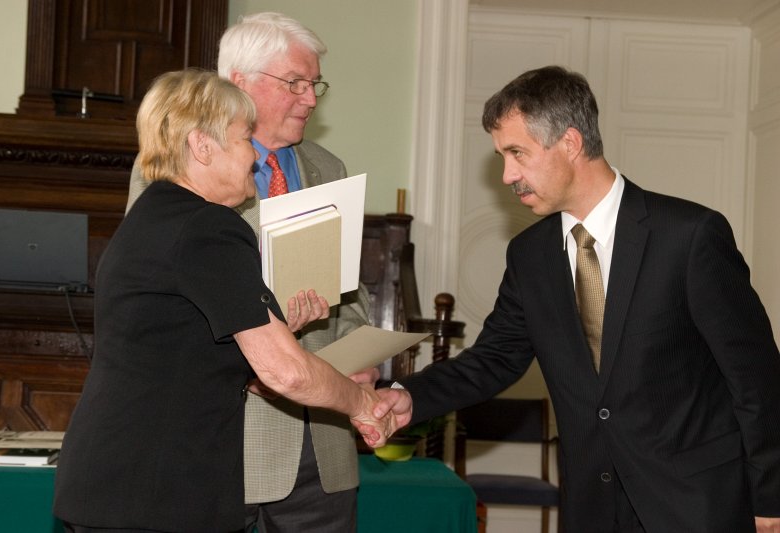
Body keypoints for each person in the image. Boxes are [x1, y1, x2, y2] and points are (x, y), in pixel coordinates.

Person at [374, 65, 780, 533]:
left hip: (696, 505)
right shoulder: (530, 255)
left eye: (517, 154)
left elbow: (755, 377)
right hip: (591, 506)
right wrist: (409, 397)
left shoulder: (689, 236)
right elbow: (494, 360)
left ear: (569, 142)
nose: (508, 175)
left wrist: (770, 496)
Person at [53, 69, 389, 533]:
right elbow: (284, 372)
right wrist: (361, 405)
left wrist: (279, 330)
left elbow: (190, 355)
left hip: (119, 487)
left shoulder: (156, 216)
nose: (254, 158)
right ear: (202, 146)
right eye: (245, 139)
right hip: (157, 498)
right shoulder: (208, 227)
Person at [126, 12, 373, 533]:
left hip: (324, 448)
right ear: (239, 81)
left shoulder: (329, 167)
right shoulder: (176, 171)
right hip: (230, 443)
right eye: (296, 83)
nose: (311, 98)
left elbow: (351, 290)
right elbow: (161, 294)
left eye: (314, 84)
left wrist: (362, 360)